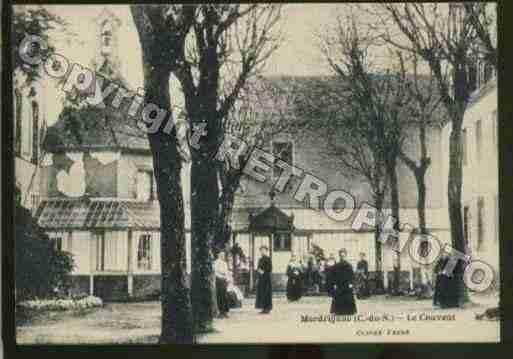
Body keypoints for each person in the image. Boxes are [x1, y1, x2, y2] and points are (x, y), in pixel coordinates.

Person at [326, 248, 357, 315]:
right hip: (339, 285)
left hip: (347, 284)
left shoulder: (349, 265)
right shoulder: (336, 266)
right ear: (339, 256)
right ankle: (338, 311)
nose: (342, 257)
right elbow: (333, 276)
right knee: (338, 297)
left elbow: (352, 275)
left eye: (344, 256)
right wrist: (334, 284)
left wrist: (351, 283)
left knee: (348, 297)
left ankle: (349, 311)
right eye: (341, 256)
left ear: (346, 256)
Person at [255, 246, 272, 314]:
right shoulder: (260, 259)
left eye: (264, 250)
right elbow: (258, 268)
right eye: (261, 250)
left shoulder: (268, 259)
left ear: (266, 251)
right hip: (261, 278)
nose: (262, 252)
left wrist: (263, 271)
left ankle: (267, 308)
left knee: (266, 293)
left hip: (266, 278)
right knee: (261, 293)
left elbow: (270, 268)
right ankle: (263, 308)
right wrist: (258, 276)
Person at [214, 251, 230, 318]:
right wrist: (221, 275)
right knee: (219, 296)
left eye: (224, 255)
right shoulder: (216, 263)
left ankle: (225, 312)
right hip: (219, 280)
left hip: (224, 281)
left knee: (224, 296)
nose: (223, 256)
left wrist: (227, 279)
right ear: (218, 255)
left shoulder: (225, 263)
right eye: (221, 255)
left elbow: (226, 272)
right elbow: (216, 272)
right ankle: (220, 312)